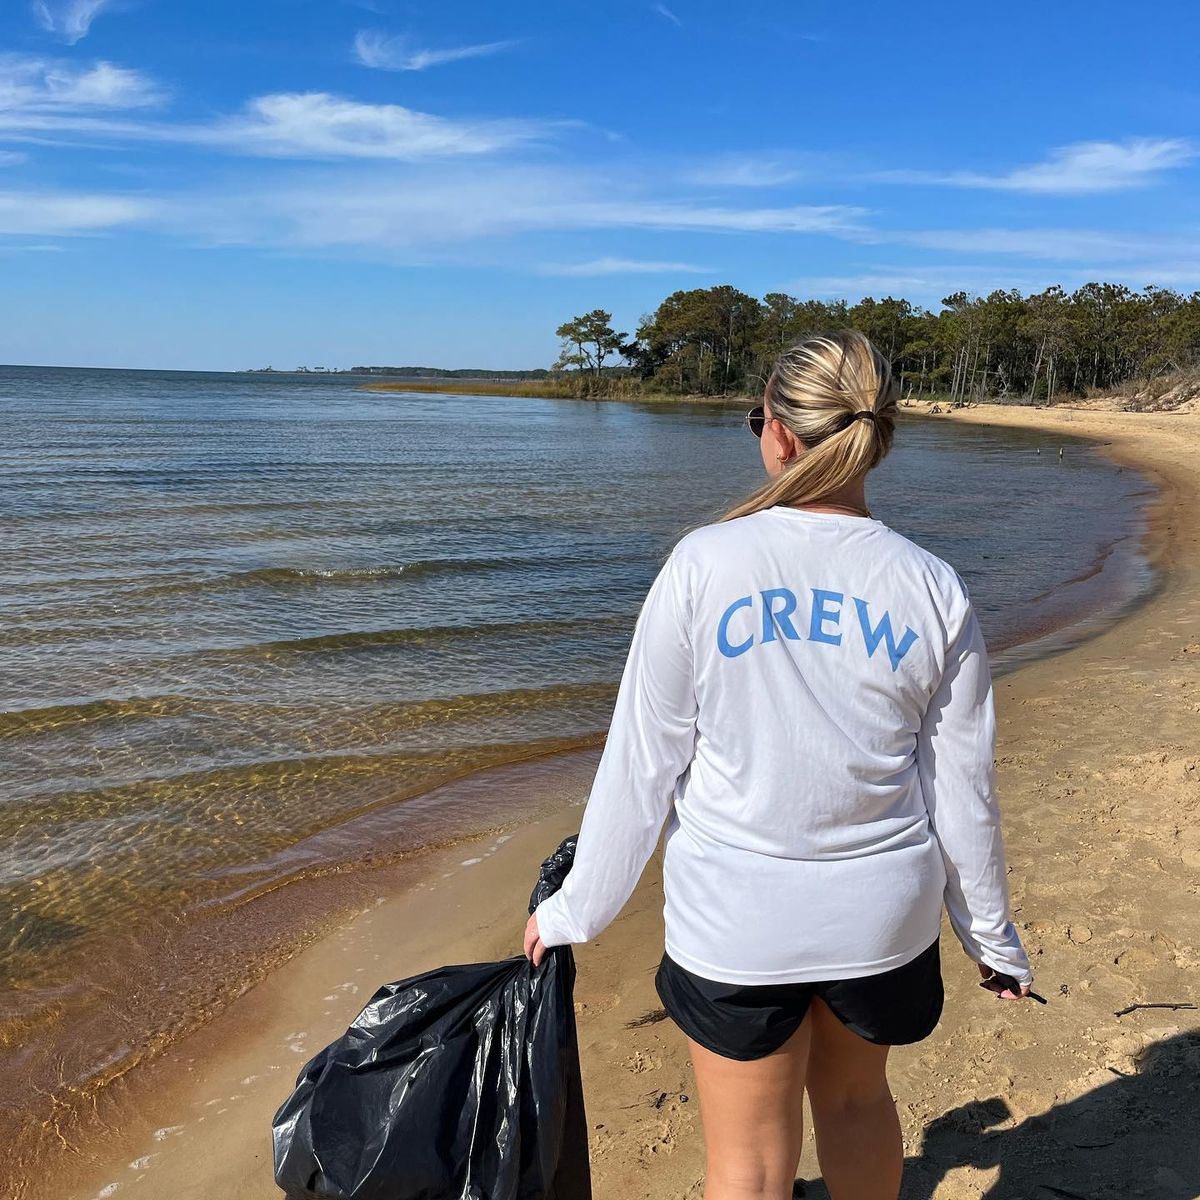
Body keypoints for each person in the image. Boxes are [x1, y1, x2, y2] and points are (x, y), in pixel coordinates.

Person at [523, 330, 1034, 1200]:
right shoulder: (932, 585)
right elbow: (963, 795)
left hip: (736, 921)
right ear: (877, 438)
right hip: (881, 915)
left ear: (782, 437)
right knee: (856, 1105)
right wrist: (991, 937)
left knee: (750, 1163)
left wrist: (577, 910)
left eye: (756, 416)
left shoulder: (703, 563)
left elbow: (642, 764)